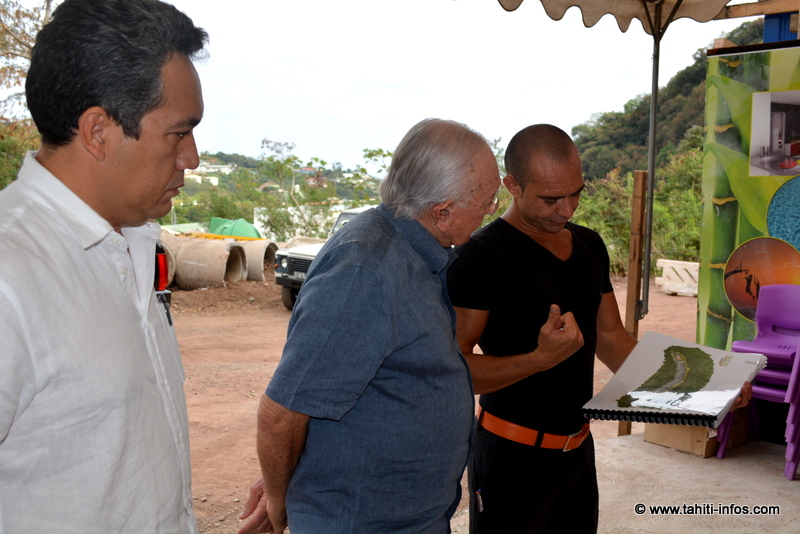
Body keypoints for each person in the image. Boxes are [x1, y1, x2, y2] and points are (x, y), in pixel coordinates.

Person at [446, 124, 752, 533]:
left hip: (577, 451)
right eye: (551, 198)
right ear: (512, 185)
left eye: (576, 193)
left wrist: (703, 386)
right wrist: (539, 360)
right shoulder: (479, 256)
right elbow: (453, 370)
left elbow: (612, 340)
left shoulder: (589, 245)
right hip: (511, 456)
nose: (567, 209)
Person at [0, 1, 207, 532]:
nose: (193, 157)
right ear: (97, 132)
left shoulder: (135, 242)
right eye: (178, 133)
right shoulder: (10, 274)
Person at [237, 118, 500, 534]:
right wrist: (279, 497)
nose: (490, 212)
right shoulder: (367, 271)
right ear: (443, 212)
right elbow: (282, 415)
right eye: (487, 202)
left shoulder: (413, 254)